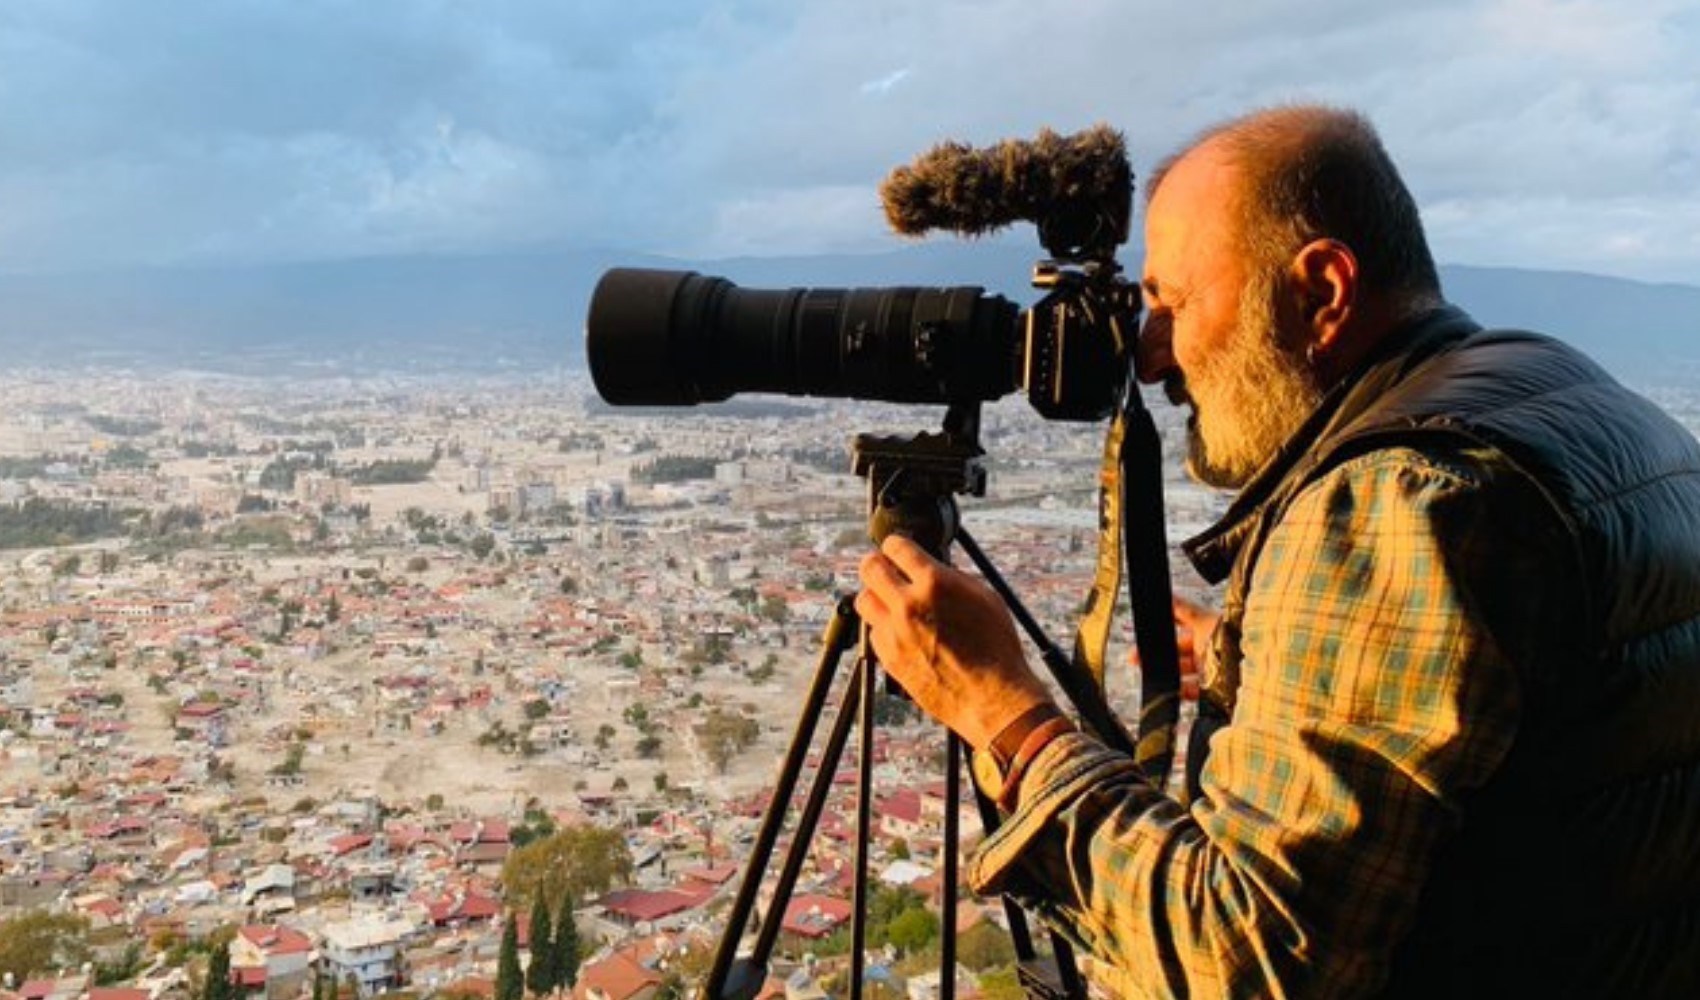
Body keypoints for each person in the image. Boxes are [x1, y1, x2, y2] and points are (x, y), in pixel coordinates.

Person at [855, 104, 1700, 998]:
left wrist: (1002, 712)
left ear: (1322, 293)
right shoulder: (1572, 399)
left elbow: (1249, 964)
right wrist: (1272, 650)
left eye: (1172, 303)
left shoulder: (1400, 496)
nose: (1149, 356)